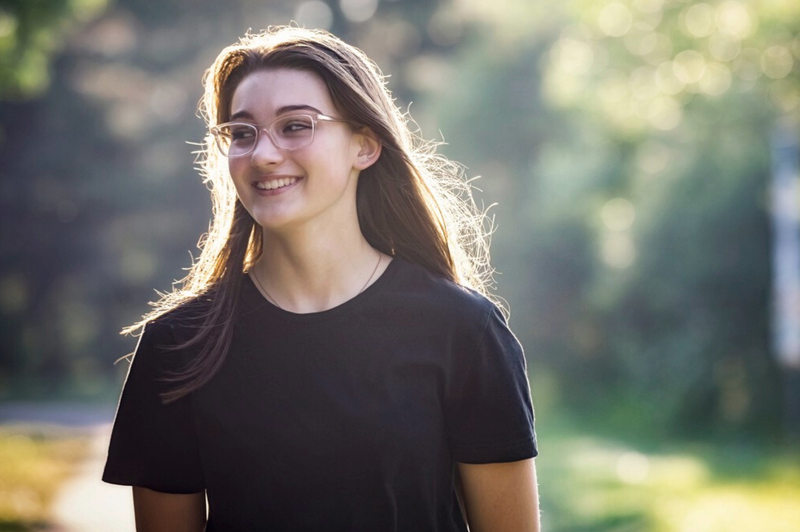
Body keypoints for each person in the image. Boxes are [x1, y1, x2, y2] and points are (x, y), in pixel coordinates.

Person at [102, 26, 540, 532]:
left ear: (365, 145)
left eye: (295, 126)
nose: (262, 154)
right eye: (242, 133)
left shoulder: (464, 330)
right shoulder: (177, 345)